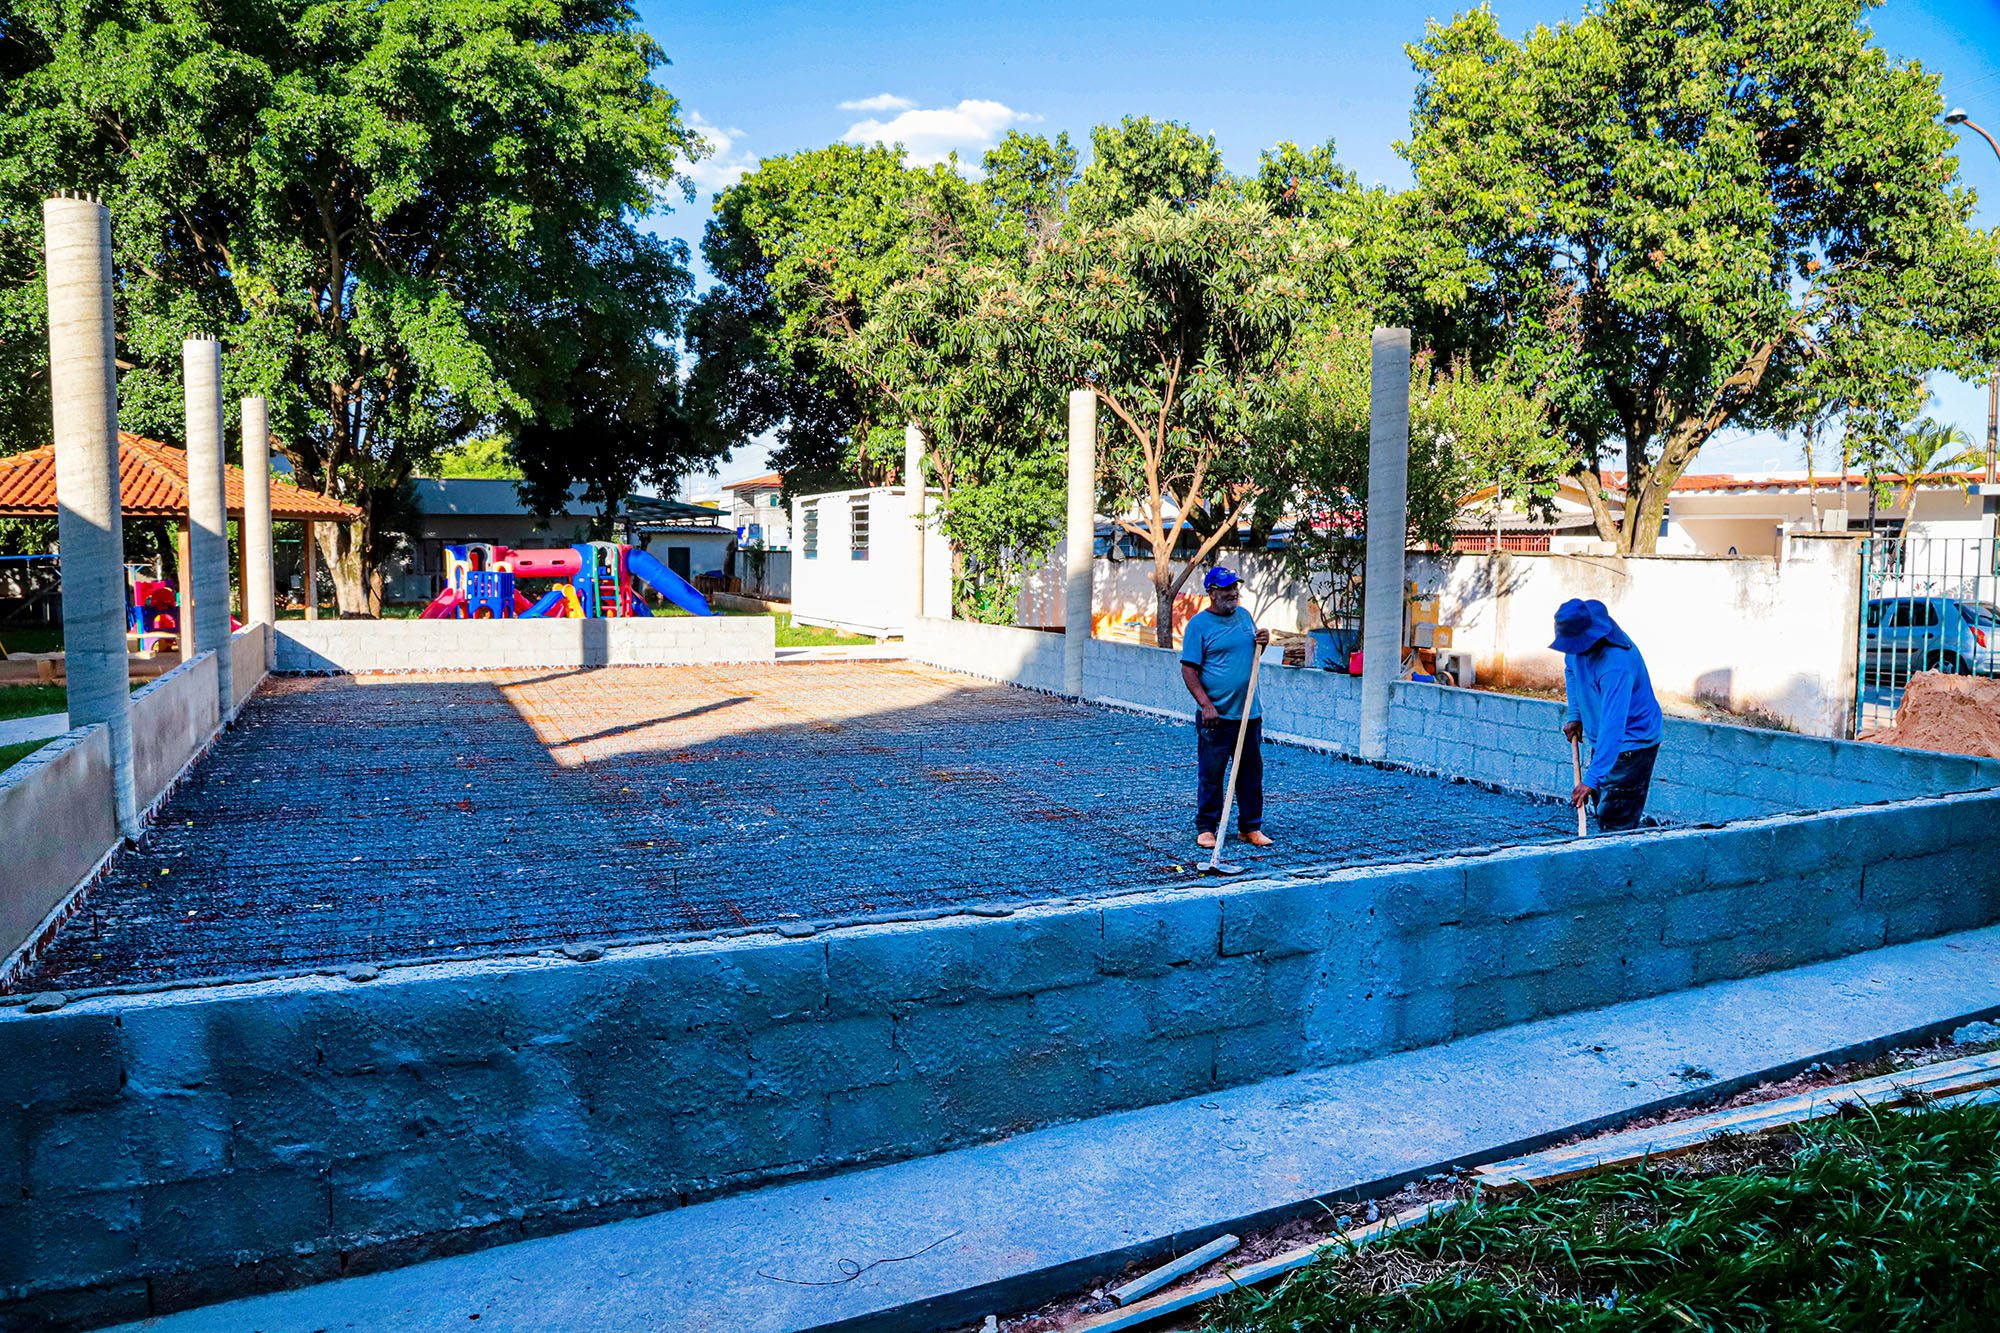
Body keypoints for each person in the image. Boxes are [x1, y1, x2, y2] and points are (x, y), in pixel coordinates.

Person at [1180, 567, 1273, 850]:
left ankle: (1250, 827)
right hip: (1216, 716)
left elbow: (1252, 654)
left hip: (1248, 713)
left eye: (1234, 587)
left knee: (1250, 773)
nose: (1233, 592)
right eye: (1226, 588)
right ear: (1212, 593)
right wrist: (1205, 705)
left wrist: (1264, 642)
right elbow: (1188, 670)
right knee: (1212, 774)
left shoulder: (1244, 617)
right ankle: (1207, 828)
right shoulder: (1199, 626)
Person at [1553, 598, 1663, 832]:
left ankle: (1619, 852)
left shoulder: (1616, 665)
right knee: (1603, 807)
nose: (1572, 651)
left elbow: (1614, 729)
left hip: (1632, 745)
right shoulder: (1577, 640)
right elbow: (1571, 670)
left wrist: (1590, 779)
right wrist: (1575, 715)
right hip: (1605, 740)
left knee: (1616, 822)